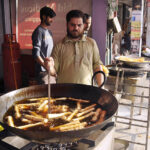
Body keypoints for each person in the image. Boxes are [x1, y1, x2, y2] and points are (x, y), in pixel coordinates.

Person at [46, 10, 103, 86]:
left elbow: (97, 66)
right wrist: (49, 66)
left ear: (84, 25)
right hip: (64, 92)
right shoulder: (59, 46)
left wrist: (101, 88)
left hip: (87, 92)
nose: (76, 28)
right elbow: (54, 71)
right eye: (72, 25)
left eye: (79, 25)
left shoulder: (91, 43)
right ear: (67, 25)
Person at [32, 6, 56, 84]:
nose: (52, 20)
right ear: (43, 16)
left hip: (50, 70)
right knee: (46, 95)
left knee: (54, 94)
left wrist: (51, 68)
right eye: (50, 17)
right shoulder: (38, 31)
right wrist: (46, 67)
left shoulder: (49, 32)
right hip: (43, 72)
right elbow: (36, 54)